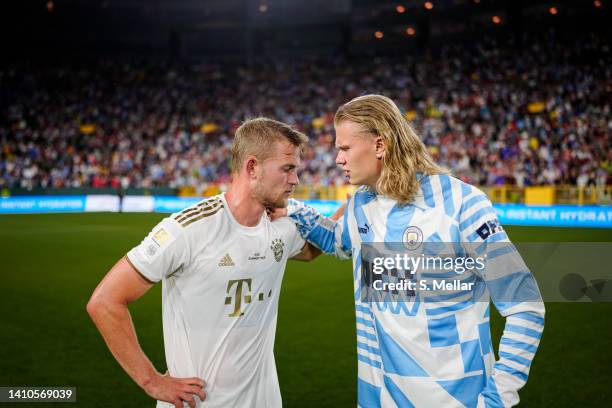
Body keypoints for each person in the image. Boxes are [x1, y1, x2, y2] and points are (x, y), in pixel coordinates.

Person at [285, 95, 545, 407]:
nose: (338, 159)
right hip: (378, 399)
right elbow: (336, 240)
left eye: (345, 148)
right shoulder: (361, 205)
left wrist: (498, 397)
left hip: (457, 400)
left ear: (380, 145)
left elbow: (525, 306)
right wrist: (288, 206)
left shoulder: (462, 204)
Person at [87, 117, 323, 408]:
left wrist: (357, 205)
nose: (295, 180)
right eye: (287, 169)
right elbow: (105, 301)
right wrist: (151, 381)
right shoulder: (189, 228)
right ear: (252, 167)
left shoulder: (280, 225)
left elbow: (314, 248)